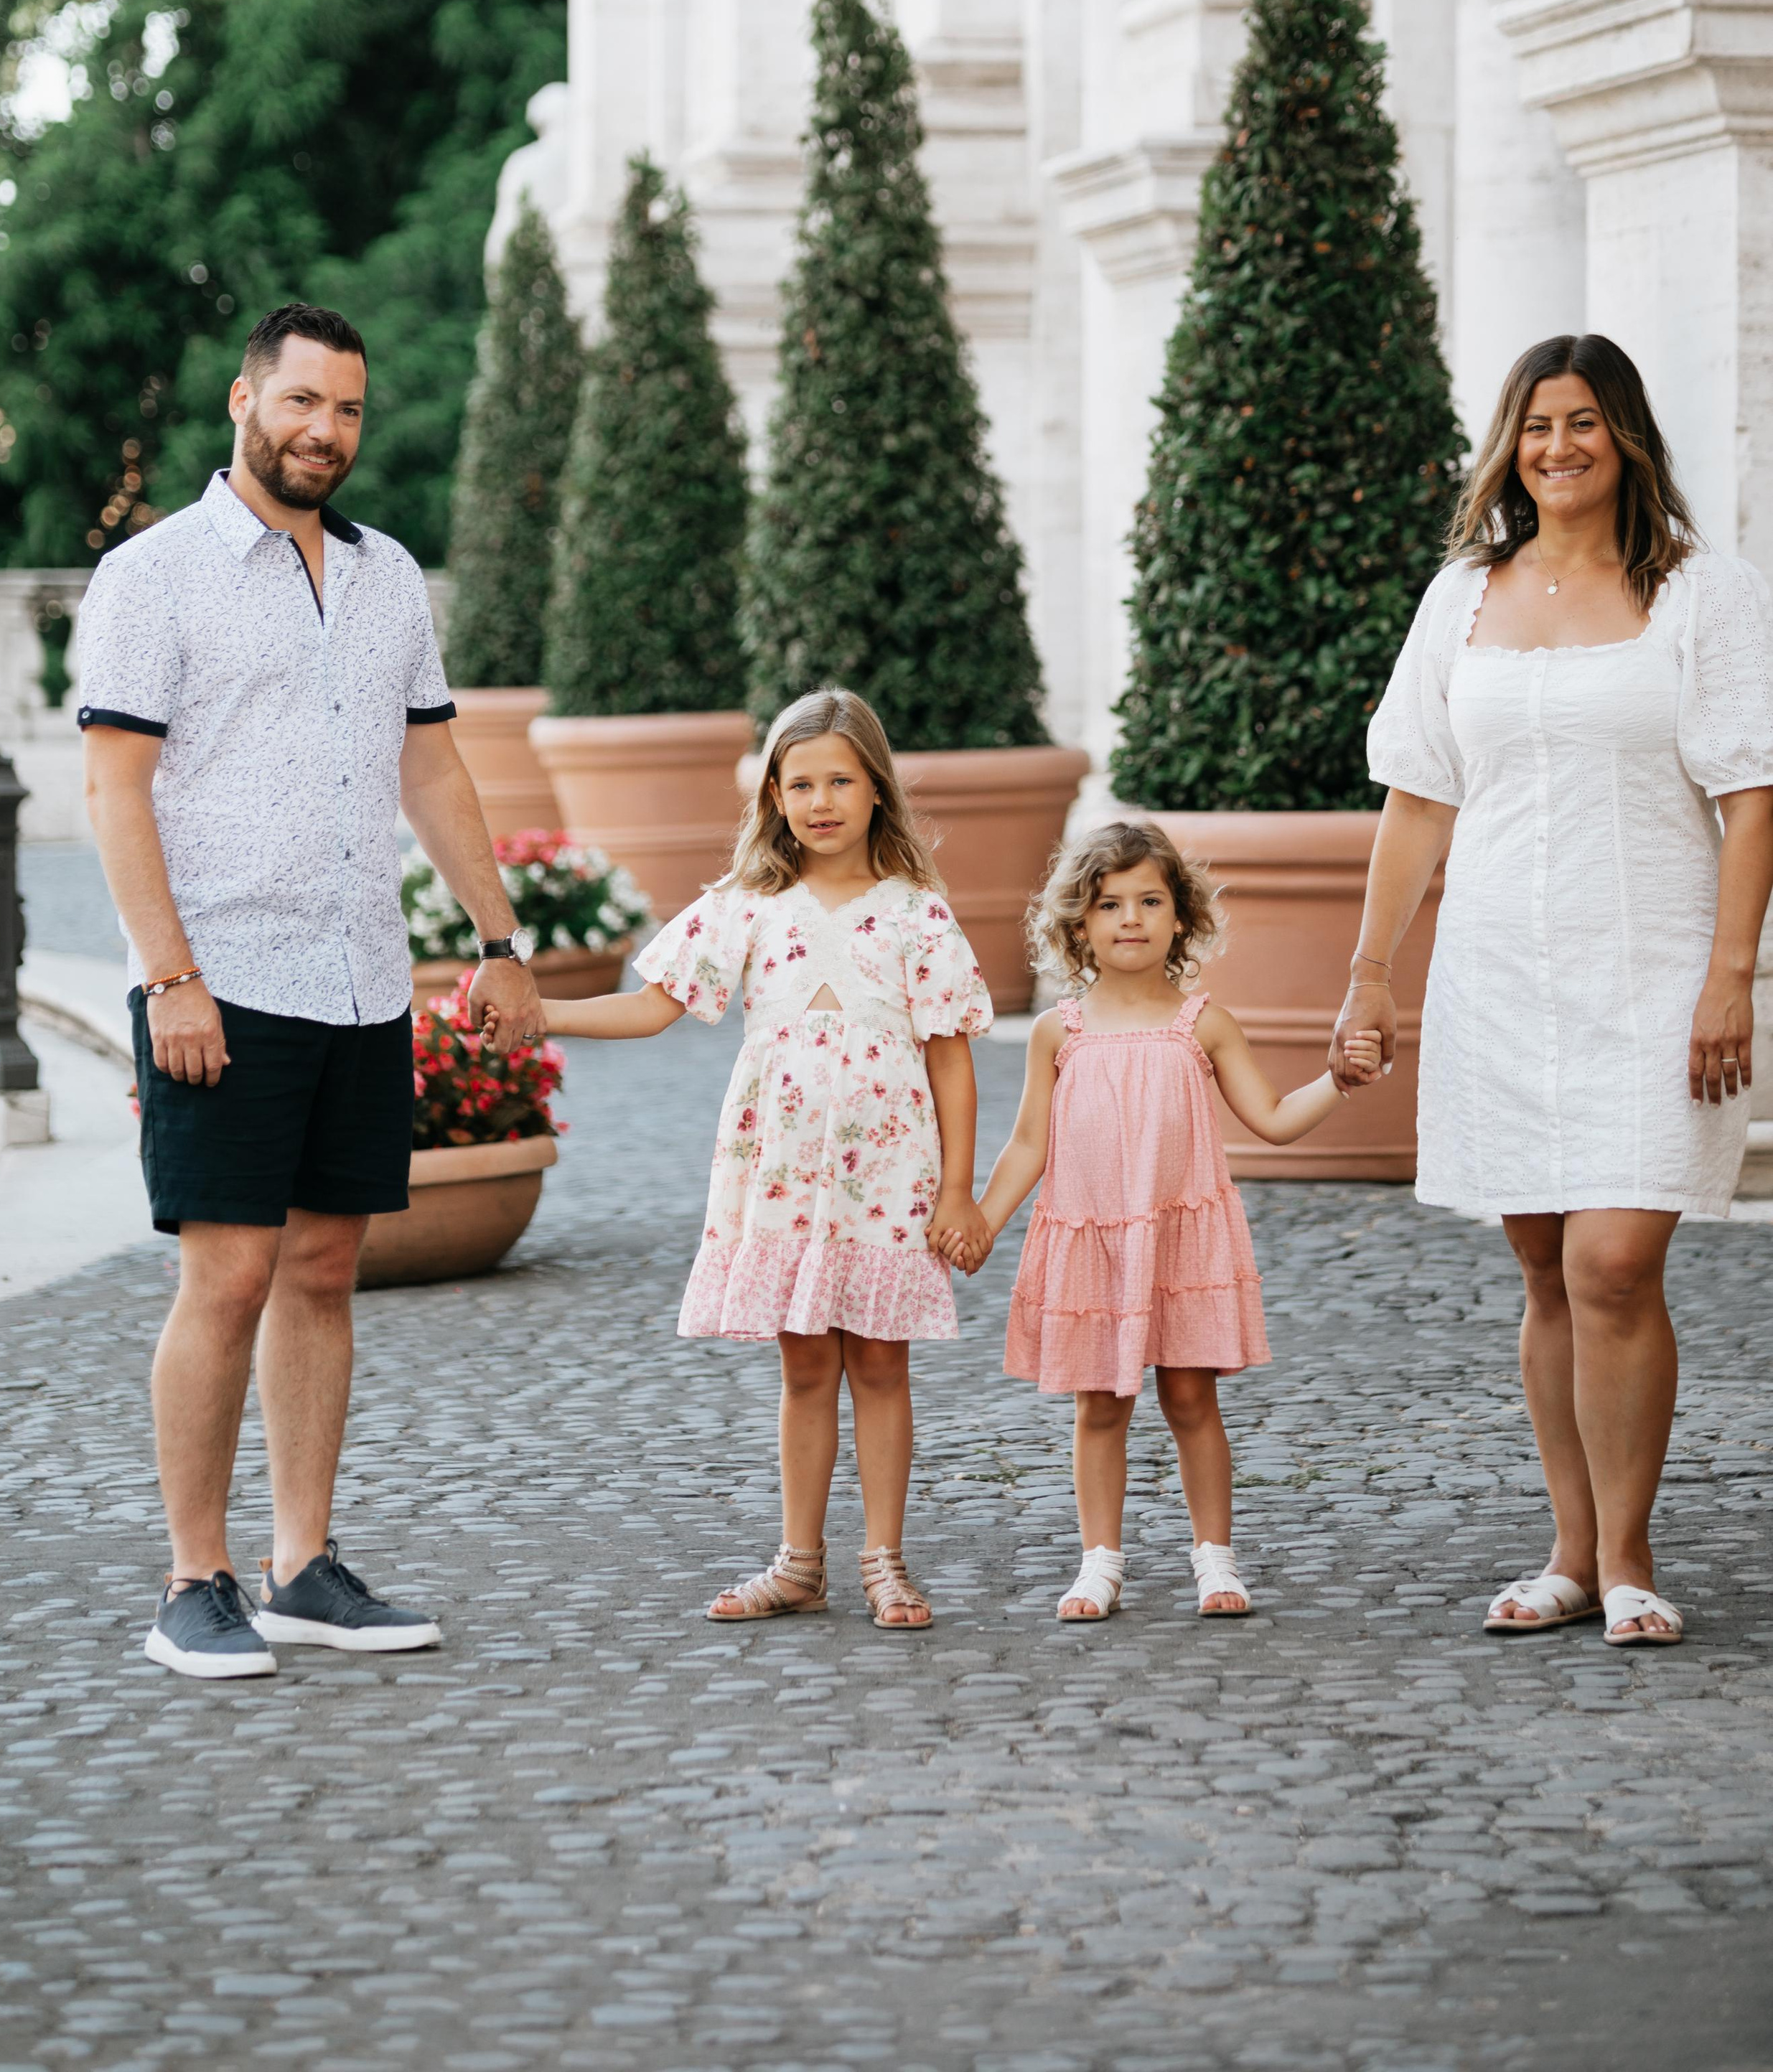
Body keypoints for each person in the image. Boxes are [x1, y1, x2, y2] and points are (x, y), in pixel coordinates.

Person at [75, 303, 544, 1681]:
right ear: (243, 401)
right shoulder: (153, 576)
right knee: (225, 1277)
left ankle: (302, 1565)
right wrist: (171, 978)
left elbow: (434, 769)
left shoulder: (389, 575)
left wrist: (500, 938)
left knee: (326, 1271)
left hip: (359, 977)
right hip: (218, 976)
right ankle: (192, 1579)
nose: (323, 431)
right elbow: (114, 790)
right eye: (300, 404)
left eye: (344, 410)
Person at [1332, 334, 1773, 1648]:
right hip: (1500, 975)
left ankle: (1632, 1559)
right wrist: (1371, 973)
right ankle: (1571, 1554)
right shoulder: (1465, 591)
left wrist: (1732, 979)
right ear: (1509, 448)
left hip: (1655, 971)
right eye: (1536, 428)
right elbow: (1419, 799)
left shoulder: (1702, 591)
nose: (1559, 448)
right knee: (1543, 1267)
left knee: (1616, 1261)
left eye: (1583, 423)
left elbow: (1751, 799)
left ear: (1626, 436)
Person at [533, 686, 992, 1628]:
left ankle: (886, 1561)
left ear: (876, 791)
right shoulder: (746, 906)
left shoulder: (918, 917)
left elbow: (951, 1058)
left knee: (880, 1365)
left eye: (840, 781)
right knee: (804, 1368)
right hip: (782, 1172)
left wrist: (960, 1191)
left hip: (887, 1176)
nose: (820, 801)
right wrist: (546, 1014)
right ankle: (798, 1563)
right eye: (799, 784)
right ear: (774, 798)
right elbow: (655, 1003)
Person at [959, 821, 1379, 1623]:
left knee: (1192, 1401)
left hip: (1180, 1244)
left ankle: (1213, 1557)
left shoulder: (1203, 1024)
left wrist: (1337, 1079)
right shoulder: (1060, 1030)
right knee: (1099, 1407)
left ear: (1180, 916)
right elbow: (1025, 1146)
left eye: (1150, 900)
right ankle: (1098, 1562)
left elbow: (1274, 1117)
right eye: (1109, 903)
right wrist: (980, 1219)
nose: (1130, 918)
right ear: (1077, 924)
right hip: (1094, 1241)